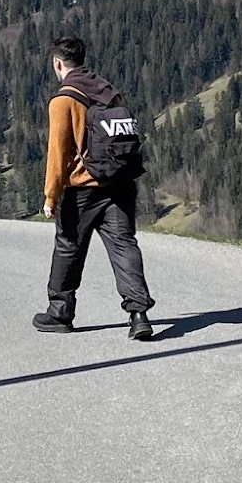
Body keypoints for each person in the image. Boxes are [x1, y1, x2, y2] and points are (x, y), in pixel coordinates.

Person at [33, 37, 156, 340]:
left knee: (68, 247)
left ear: (57, 64)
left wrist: (51, 196)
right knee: (124, 246)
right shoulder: (106, 90)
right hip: (119, 183)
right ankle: (139, 315)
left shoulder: (63, 100)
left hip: (84, 189)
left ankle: (60, 313)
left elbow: (58, 152)